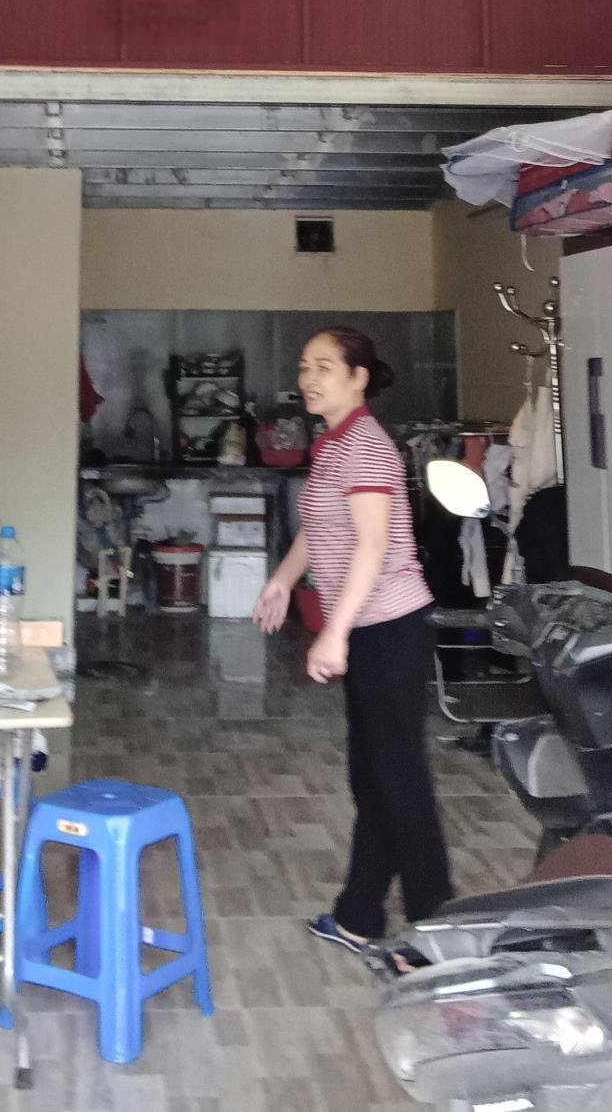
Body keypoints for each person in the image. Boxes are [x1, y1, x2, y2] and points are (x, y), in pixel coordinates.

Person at [253, 327, 452, 957]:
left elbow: (371, 545)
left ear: (359, 377)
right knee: (374, 779)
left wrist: (334, 631)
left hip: (389, 627)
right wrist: (283, 581)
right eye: (304, 367)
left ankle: (436, 936)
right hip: (371, 629)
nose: (309, 379)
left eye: (324, 367)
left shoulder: (366, 446)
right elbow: (319, 528)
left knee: (399, 782)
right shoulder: (334, 443)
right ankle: (359, 914)